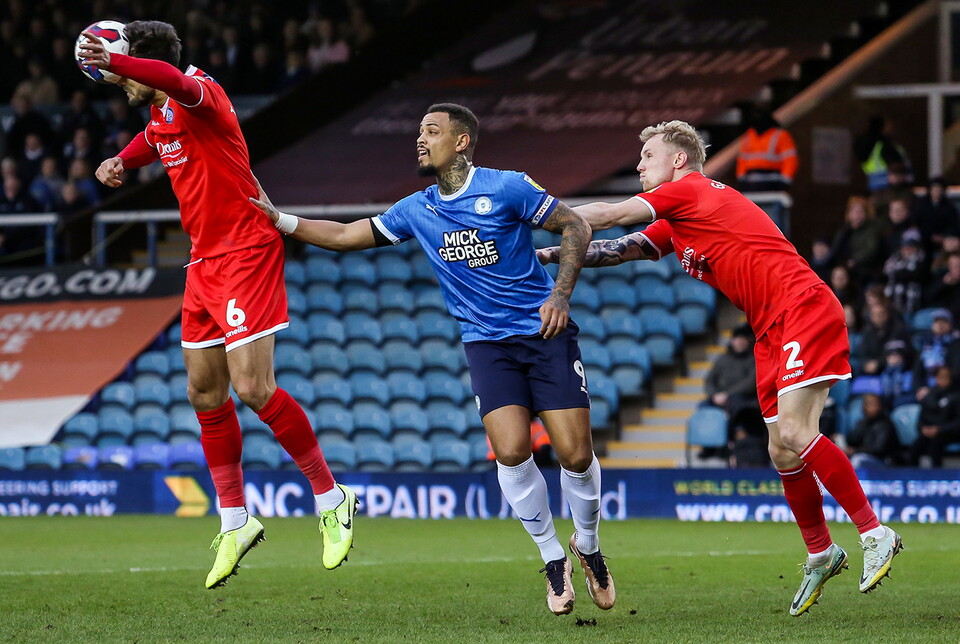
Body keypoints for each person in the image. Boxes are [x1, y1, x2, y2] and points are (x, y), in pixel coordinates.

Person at [250, 103, 615, 616]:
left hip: (544, 334)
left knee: (575, 456)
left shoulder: (508, 186)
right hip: (485, 343)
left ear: (461, 142)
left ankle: (589, 546)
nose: (420, 140)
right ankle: (553, 557)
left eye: (432, 131)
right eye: (419, 132)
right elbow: (347, 236)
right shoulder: (416, 208)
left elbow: (575, 226)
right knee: (511, 451)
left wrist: (559, 295)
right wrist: (282, 220)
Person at [538, 120, 902, 616]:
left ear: (679, 161)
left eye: (648, 155)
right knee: (780, 449)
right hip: (768, 328)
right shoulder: (679, 218)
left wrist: (535, 217)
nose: (640, 164)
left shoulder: (688, 190)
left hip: (801, 306)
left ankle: (874, 532)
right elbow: (620, 250)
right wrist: (549, 254)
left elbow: (611, 215)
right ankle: (821, 552)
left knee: (796, 431)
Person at [80, 20, 357, 589]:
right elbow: (155, 135)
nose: (121, 87)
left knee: (253, 387)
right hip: (204, 262)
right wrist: (121, 163)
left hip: (246, 250)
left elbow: (164, 83)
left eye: (125, 74)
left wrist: (115, 62)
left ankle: (332, 497)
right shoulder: (161, 113)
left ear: (141, 62)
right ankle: (235, 518)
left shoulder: (201, 92)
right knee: (204, 390)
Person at [735, 104, 798, 192]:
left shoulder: (780, 135)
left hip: (772, 181)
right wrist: (741, 179)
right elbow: (742, 159)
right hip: (751, 182)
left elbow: (790, 159)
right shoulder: (749, 136)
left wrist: (785, 180)